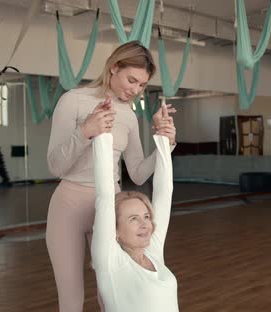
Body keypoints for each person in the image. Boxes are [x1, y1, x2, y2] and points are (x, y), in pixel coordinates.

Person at [46, 41, 176, 311]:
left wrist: (165, 142)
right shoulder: (73, 100)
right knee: (71, 298)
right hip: (68, 205)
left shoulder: (128, 116)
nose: (135, 90)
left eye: (141, 85)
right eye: (131, 80)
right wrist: (85, 131)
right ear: (114, 67)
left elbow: (138, 174)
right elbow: (55, 166)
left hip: (112, 209)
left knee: (112, 295)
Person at [91, 129, 177, 312]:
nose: (145, 224)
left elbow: (164, 193)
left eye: (146, 217)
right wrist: (102, 135)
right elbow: (105, 197)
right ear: (115, 229)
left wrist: (164, 139)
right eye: (133, 219)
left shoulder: (152, 252)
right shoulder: (111, 262)